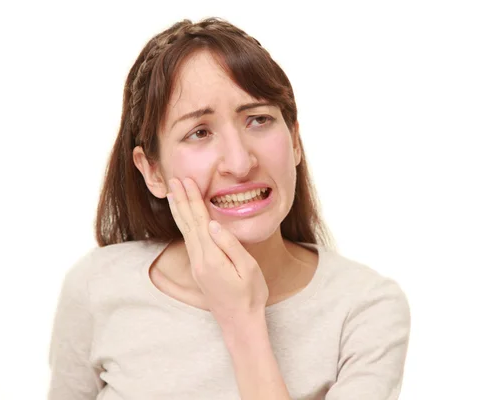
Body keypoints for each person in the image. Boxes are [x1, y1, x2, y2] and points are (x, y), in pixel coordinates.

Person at [47, 17, 411, 400]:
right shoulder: (97, 286)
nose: (239, 163)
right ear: (151, 170)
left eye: (258, 119)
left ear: (295, 141)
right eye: (199, 132)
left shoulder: (366, 309)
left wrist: (243, 322)